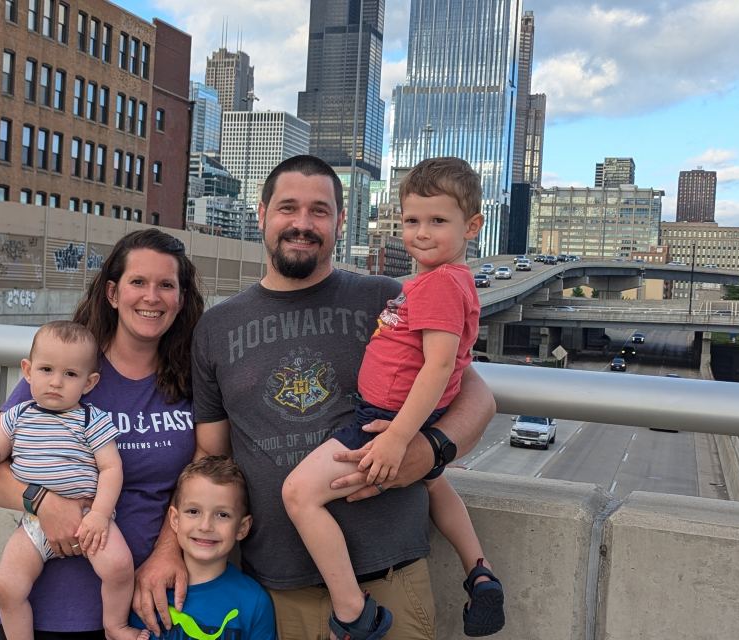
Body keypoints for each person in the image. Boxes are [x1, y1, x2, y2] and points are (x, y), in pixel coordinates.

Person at [137, 155, 494, 640]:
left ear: (340, 221)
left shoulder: (387, 298)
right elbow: (209, 456)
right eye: (288, 208)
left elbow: (475, 394)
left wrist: (426, 451)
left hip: (388, 577)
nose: (302, 224)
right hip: (276, 592)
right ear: (262, 214)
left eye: (319, 211)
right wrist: (168, 547)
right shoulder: (217, 327)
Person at [281, 157, 504, 638]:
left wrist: (399, 438)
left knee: (298, 494)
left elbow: (442, 366)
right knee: (434, 483)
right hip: (404, 416)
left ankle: (353, 612)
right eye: (412, 221)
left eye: (438, 221)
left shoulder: (440, 284)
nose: (421, 233)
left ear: (472, 226)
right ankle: (479, 571)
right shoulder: (438, 281)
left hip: (385, 419)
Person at [0, 229, 205, 639]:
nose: (151, 297)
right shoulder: (65, 371)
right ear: (112, 293)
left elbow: (204, 473)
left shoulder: (193, 380)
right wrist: (43, 502)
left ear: (181, 299)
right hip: (51, 609)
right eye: (137, 282)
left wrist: (169, 549)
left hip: (147, 606)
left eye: (166, 285)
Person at [0, 320, 149, 640]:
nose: (56, 382)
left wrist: (100, 515)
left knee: (118, 567)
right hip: (34, 522)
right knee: (7, 587)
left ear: (89, 382)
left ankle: (115, 626)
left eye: (70, 374)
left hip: (88, 518)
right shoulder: (19, 415)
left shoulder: (91, 419)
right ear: (28, 371)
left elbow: (111, 468)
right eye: (46, 370)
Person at [131, 456, 277, 639]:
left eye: (222, 515)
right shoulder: (148, 591)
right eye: (193, 511)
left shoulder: (253, 601)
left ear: (242, 528)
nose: (205, 526)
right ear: (175, 519)